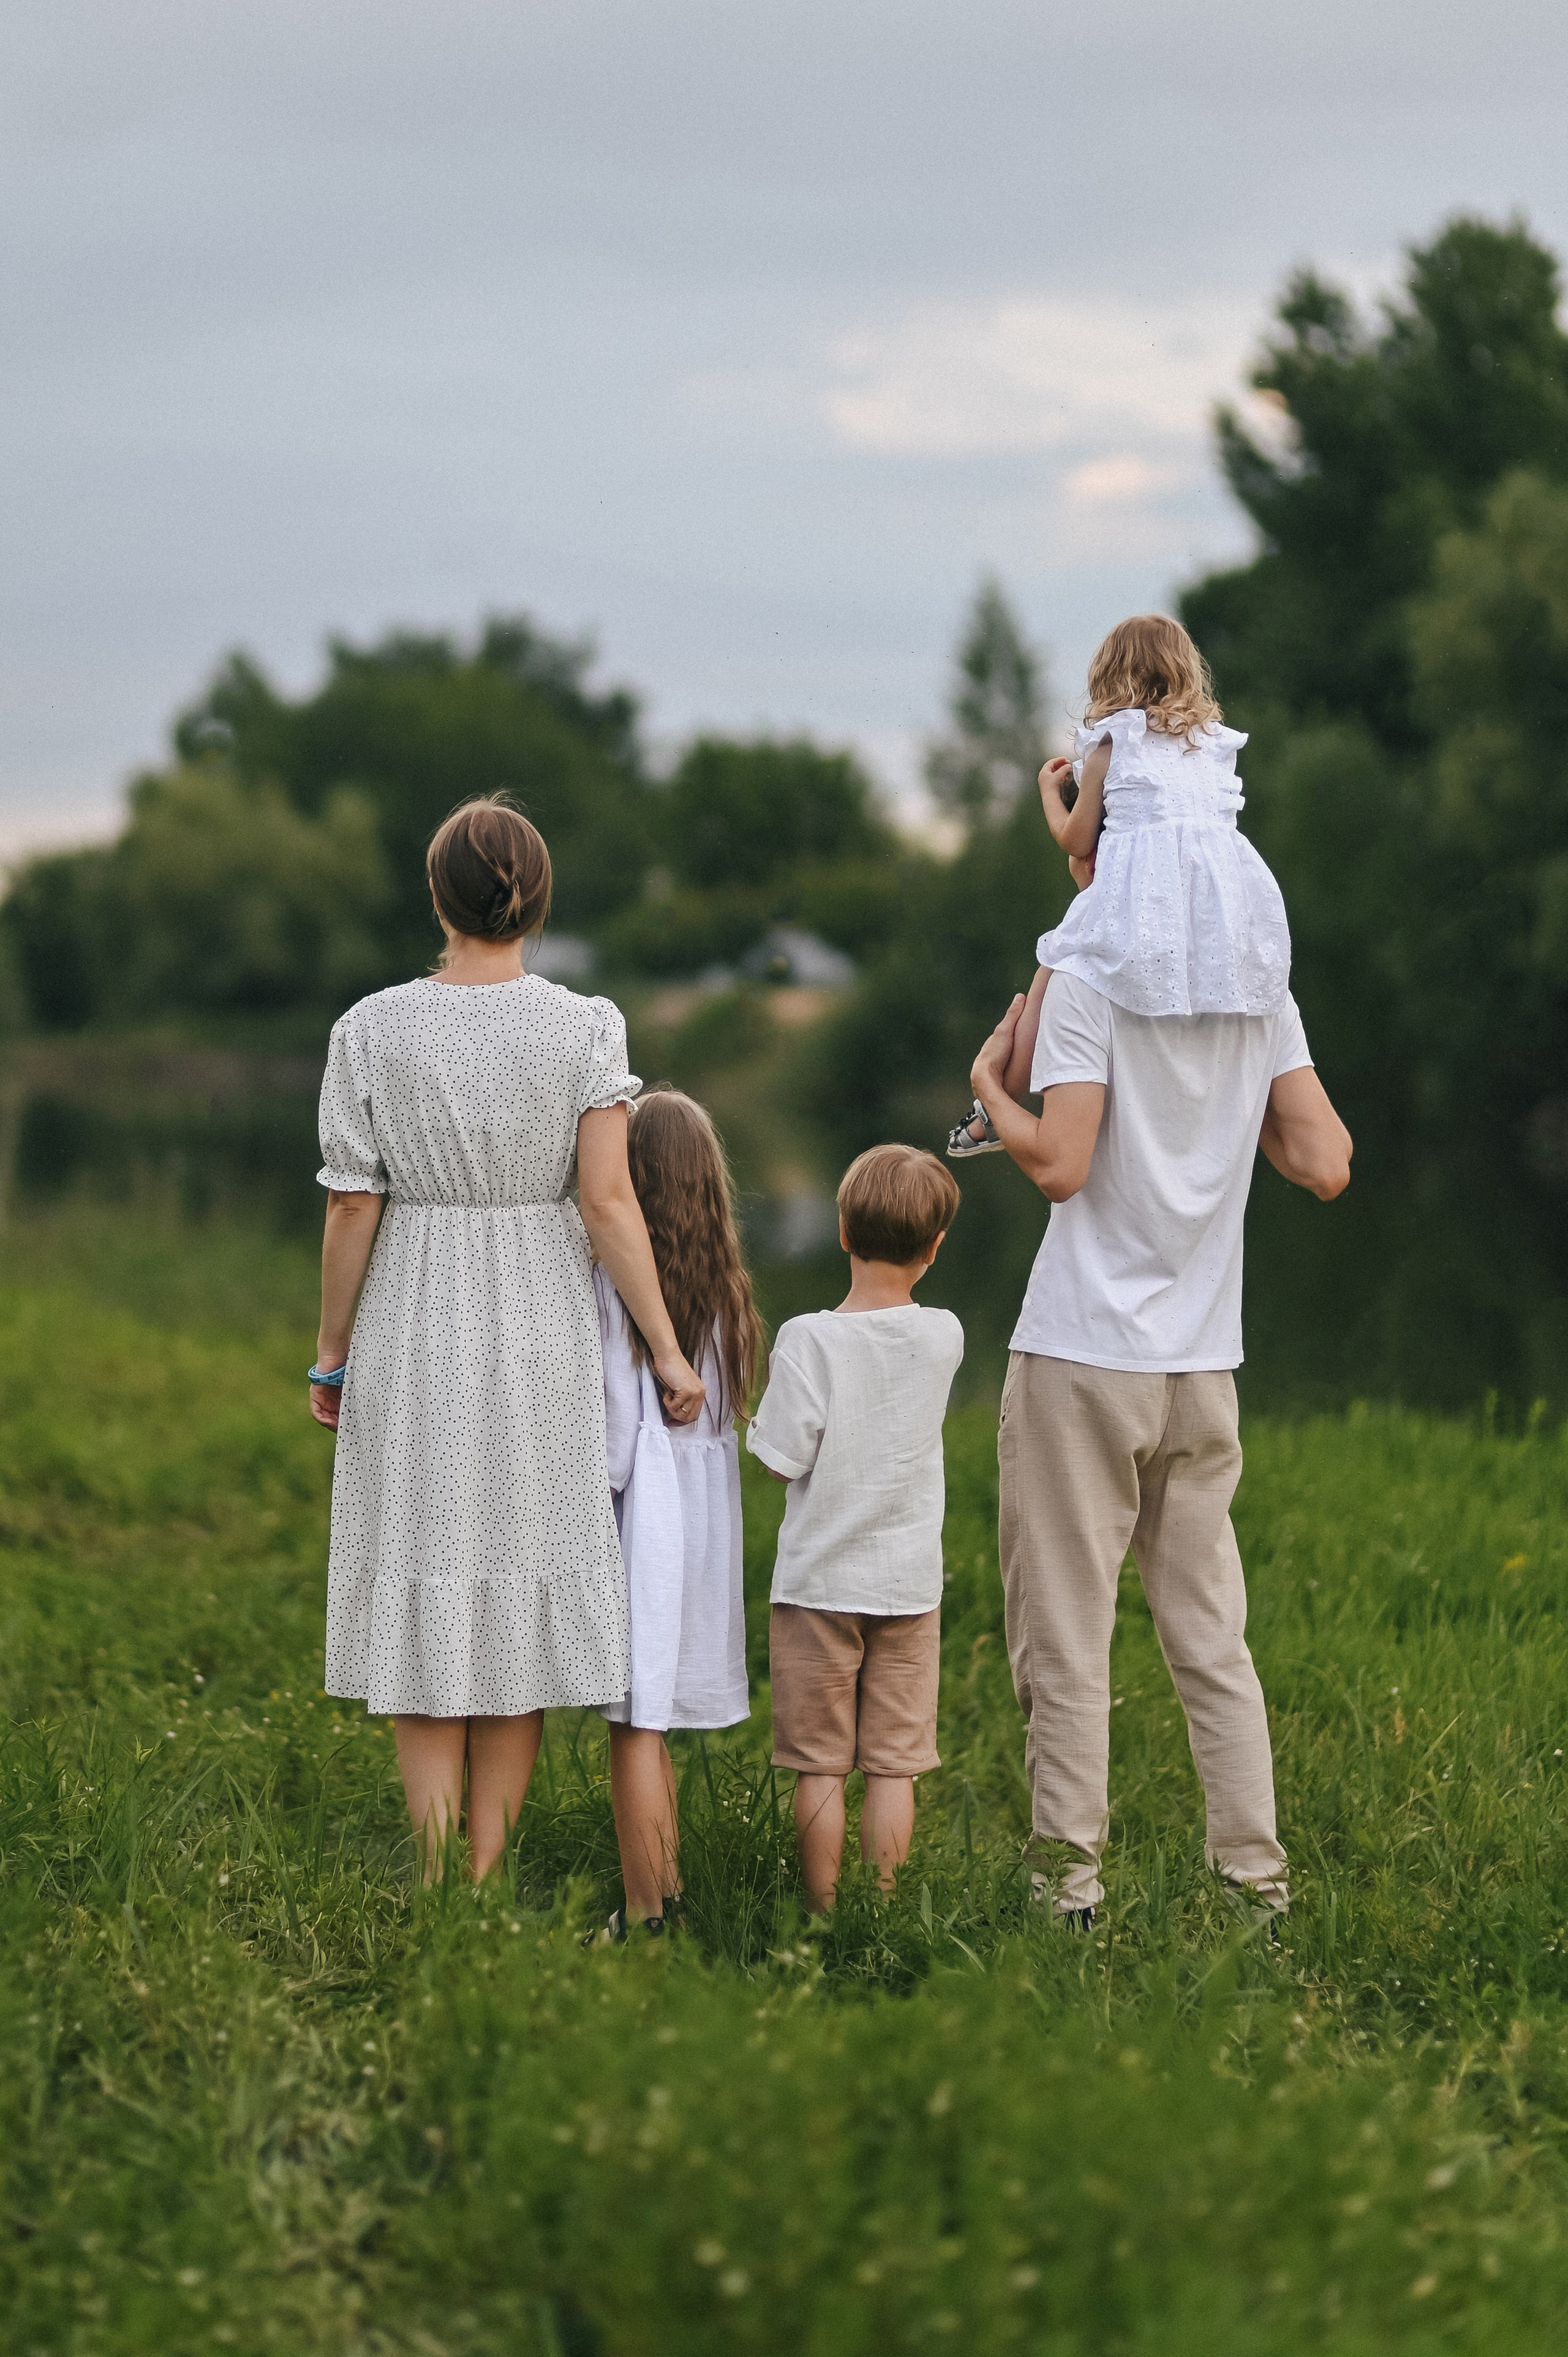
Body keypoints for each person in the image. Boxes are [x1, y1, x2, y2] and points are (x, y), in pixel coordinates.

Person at [967, 613, 1352, 1928]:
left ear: (1098, 788)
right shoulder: (1259, 983)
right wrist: (1224, 1102)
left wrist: (985, 1098)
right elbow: (1324, 1160)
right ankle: (1254, 1884)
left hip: (1084, 1353)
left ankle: (1066, 1893)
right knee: (1211, 1640)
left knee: (1063, 1641)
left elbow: (1060, 1161)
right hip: (1201, 1361)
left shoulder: (1084, 977)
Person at [309, 794, 705, 1882]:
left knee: (427, 1571)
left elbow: (352, 1206)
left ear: (438, 897)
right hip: (540, 1324)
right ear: (537, 896)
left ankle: (441, 1878)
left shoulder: (370, 1027)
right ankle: (487, 1869)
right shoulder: (587, 1025)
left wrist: (332, 1350)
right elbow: (611, 1203)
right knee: (520, 1585)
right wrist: (669, 1350)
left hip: (414, 1319)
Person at [948, 609, 1291, 1157]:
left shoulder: (1113, 746)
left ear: (1111, 677)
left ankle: (993, 1108)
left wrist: (1046, 792)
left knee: (1052, 974)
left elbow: (1078, 841)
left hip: (1139, 910)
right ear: (1186, 673)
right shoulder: (1213, 748)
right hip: (1217, 924)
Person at [747, 1145, 963, 1914]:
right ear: (935, 1247)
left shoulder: (807, 1339)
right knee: (895, 1764)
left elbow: (781, 1458)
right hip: (907, 1585)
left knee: (819, 1763)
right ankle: (880, 1906)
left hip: (817, 1588)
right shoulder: (944, 1334)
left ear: (841, 1230)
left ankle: (822, 1909)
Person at [590, 1088, 764, 1941]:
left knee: (633, 1725)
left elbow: (619, 1444)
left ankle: (647, 1914)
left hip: (644, 1527)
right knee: (648, 1718)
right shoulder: (729, 1295)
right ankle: (673, 1894)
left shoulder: (615, 1292)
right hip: (704, 1528)